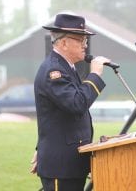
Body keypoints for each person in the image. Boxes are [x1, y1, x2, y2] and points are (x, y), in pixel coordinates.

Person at [30, 13, 111, 191]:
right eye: (80, 39)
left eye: (86, 40)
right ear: (64, 42)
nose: (85, 44)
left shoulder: (66, 67)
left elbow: (55, 117)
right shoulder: (54, 70)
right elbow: (76, 104)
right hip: (62, 166)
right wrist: (95, 75)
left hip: (70, 164)